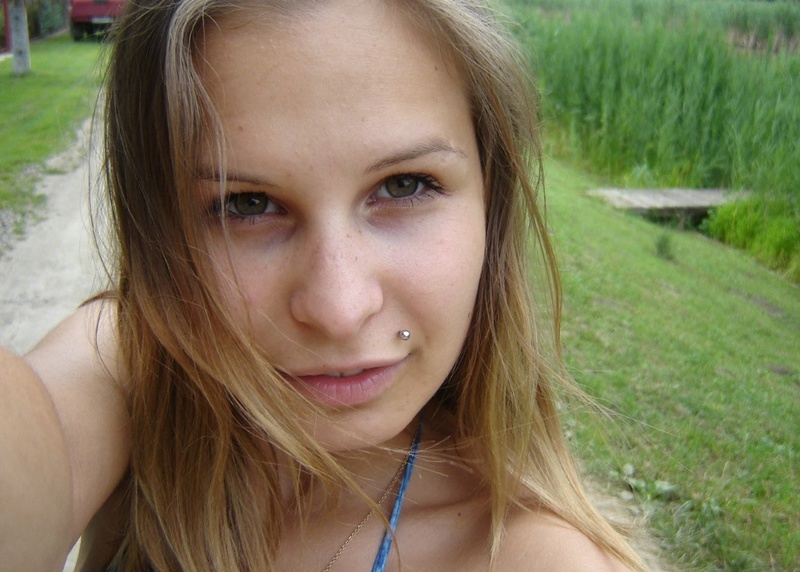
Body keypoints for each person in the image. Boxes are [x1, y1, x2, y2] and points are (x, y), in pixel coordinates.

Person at [0, 0, 651, 570]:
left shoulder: (536, 556)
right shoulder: (130, 376)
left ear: (491, 200)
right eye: (247, 204)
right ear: (158, 236)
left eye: (403, 186)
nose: (340, 310)